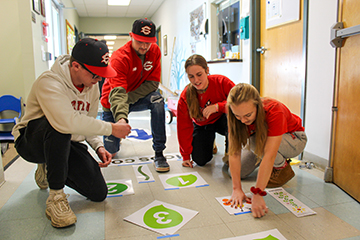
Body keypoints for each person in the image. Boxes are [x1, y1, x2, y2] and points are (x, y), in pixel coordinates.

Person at [12, 38, 132, 228]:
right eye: (95, 74)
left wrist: (98, 146)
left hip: (65, 142)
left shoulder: (91, 86)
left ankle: (49, 167)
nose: (99, 79)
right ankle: (56, 198)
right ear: (76, 66)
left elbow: (88, 121)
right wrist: (111, 128)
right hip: (31, 142)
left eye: (102, 75)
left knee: (98, 192)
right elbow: (66, 122)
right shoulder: (49, 82)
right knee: (60, 125)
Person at [226, 83, 307, 218]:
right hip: (260, 139)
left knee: (255, 142)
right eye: (238, 116)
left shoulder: (275, 110)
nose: (243, 121)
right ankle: (262, 160)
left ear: (258, 105)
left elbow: (270, 154)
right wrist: (236, 189)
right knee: (237, 172)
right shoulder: (233, 113)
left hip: (294, 139)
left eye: (248, 115)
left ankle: (282, 168)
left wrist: (258, 193)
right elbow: (234, 152)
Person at [100, 18, 169, 172]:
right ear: (131, 36)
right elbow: (117, 94)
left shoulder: (155, 51)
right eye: (140, 41)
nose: (144, 46)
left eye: (148, 42)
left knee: (157, 99)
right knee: (112, 151)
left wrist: (128, 100)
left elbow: (152, 83)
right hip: (113, 101)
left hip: (134, 97)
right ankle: (116, 139)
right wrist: (121, 120)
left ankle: (159, 153)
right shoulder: (119, 57)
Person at [177, 54, 235, 167]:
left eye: (199, 75)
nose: (196, 80)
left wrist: (218, 106)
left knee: (233, 118)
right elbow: (183, 127)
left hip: (221, 120)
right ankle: (211, 143)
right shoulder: (185, 97)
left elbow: (240, 103)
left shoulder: (221, 82)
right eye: (191, 77)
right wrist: (185, 156)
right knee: (200, 160)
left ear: (207, 70)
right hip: (203, 124)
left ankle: (230, 154)